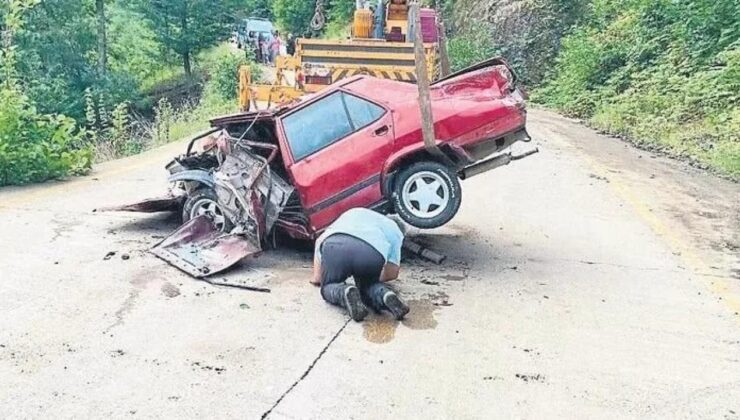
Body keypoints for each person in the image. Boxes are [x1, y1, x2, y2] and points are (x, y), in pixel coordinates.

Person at [311, 208, 410, 322]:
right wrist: (369, 277)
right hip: (370, 252)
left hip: (335, 245)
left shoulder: (357, 211)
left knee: (329, 286)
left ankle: (344, 292)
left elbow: (319, 240)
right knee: (368, 287)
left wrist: (317, 278)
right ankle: (384, 295)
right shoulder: (395, 231)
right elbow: (392, 273)